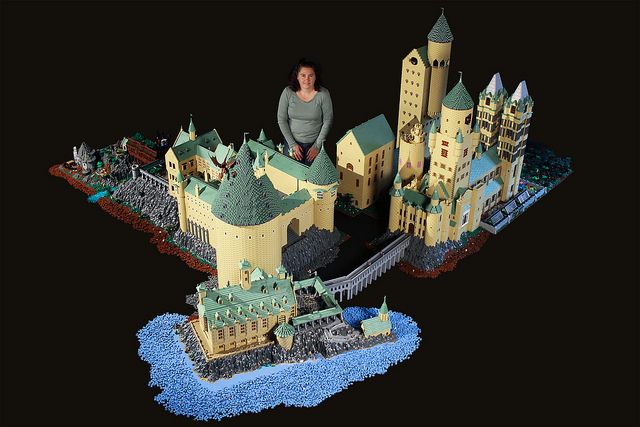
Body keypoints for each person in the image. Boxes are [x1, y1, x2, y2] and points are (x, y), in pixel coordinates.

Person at [277, 57, 333, 166]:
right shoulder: (288, 92)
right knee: (291, 173)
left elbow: (328, 121)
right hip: (292, 143)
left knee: (314, 175)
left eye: (310, 75)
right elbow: (281, 120)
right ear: (297, 76)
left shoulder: (323, 94)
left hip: (314, 145)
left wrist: (317, 146)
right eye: (303, 75)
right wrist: (292, 144)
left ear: (315, 77)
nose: (307, 79)